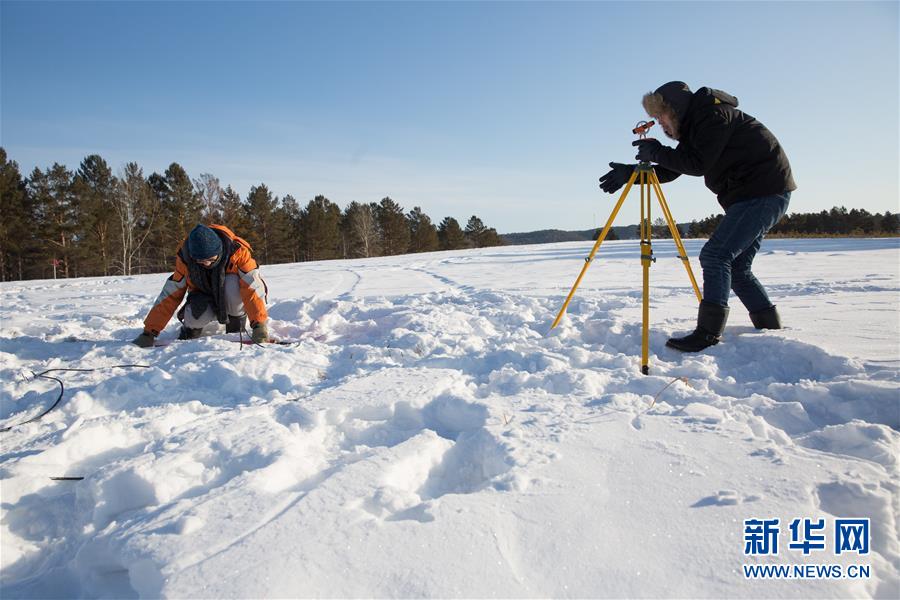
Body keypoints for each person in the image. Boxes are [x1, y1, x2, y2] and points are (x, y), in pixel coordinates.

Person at [599, 81, 796, 352]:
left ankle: (708, 334)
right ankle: (768, 325)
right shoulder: (695, 125)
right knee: (737, 267)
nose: (659, 124)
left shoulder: (711, 116)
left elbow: (697, 165)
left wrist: (656, 151)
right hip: (755, 194)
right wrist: (632, 174)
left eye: (659, 117)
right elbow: (675, 168)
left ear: (674, 109)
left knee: (715, 256)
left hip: (762, 192)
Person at [133, 224, 270, 347]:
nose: (207, 264)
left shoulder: (238, 252)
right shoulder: (185, 259)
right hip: (202, 297)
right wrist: (149, 332)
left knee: (233, 285)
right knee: (195, 318)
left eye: (211, 259)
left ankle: (235, 325)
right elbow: (170, 295)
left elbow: (253, 287)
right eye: (201, 260)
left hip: (230, 298)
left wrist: (259, 325)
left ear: (219, 251)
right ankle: (191, 329)